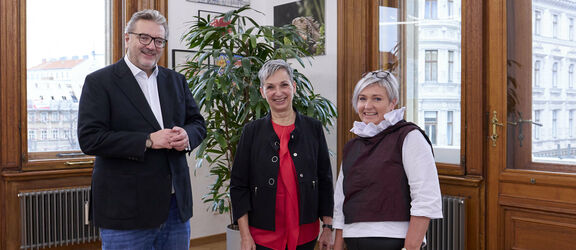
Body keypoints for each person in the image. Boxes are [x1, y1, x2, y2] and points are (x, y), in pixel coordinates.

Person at [77, 9, 206, 250]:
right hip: (126, 212)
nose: (151, 46)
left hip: (175, 209)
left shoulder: (176, 81)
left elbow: (198, 123)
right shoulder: (99, 82)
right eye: (144, 38)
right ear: (128, 38)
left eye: (158, 40)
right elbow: (89, 139)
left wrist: (187, 136)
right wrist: (148, 140)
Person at [230, 59, 334, 250]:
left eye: (284, 85)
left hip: (306, 233)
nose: (278, 93)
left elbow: (325, 180)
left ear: (293, 87)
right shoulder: (251, 132)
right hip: (263, 235)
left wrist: (327, 226)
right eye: (270, 87)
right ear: (262, 92)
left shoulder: (313, 129)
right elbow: (238, 186)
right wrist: (245, 235)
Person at [332, 70, 443, 250]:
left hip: (394, 241)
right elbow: (340, 200)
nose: (367, 106)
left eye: (377, 99)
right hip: (353, 240)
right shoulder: (352, 146)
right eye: (362, 98)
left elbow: (425, 198)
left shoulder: (409, 137)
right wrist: (337, 246)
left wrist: (411, 247)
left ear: (393, 103)